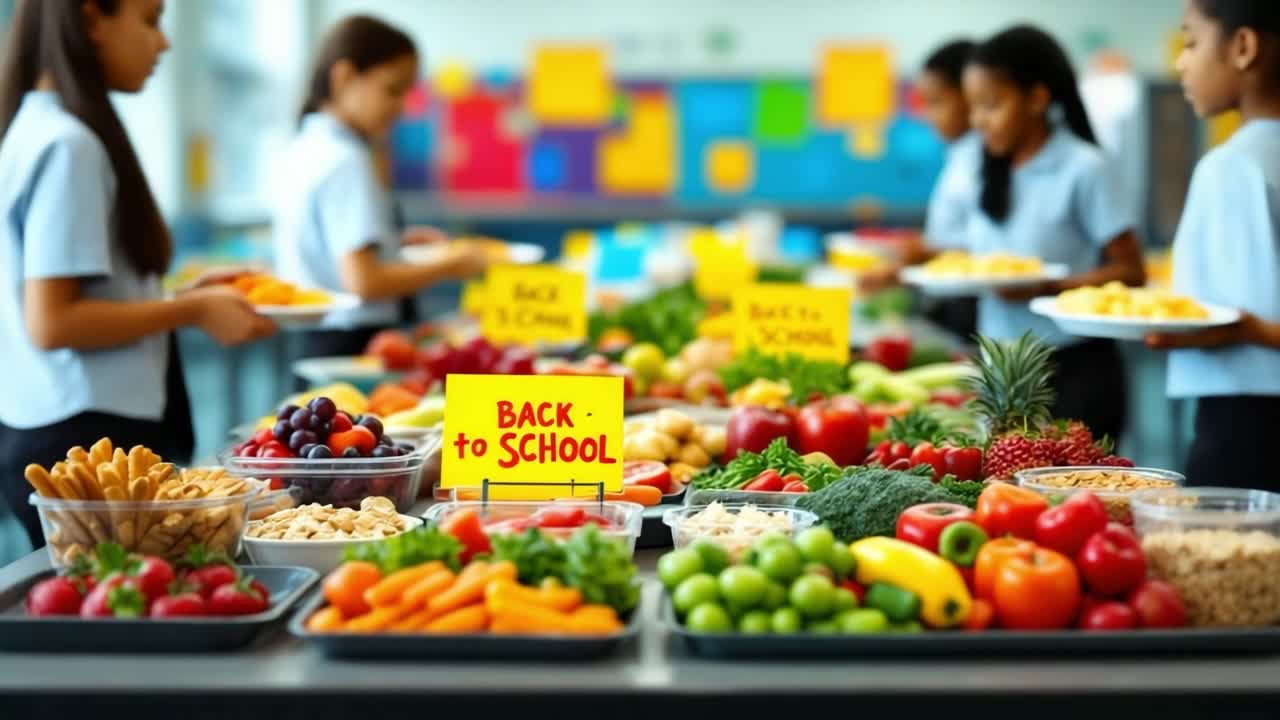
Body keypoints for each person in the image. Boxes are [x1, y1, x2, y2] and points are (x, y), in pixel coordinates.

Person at [0, 0, 275, 548]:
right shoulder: (69, 144)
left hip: (52, 423)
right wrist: (192, 310)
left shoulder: (36, 126)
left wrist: (172, 295)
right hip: (83, 442)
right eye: (149, 21)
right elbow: (54, 321)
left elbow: (78, 293)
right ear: (91, 19)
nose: (164, 43)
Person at [888, 26, 1146, 442]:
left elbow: (1131, 271)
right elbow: (980, 255)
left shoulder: (1085, 167)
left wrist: (1049, 287)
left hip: (1072, 366)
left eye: (991, 106)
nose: (978, 122)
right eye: (973, 108)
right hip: (999, 366)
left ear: (1037, 99)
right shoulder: (987, 170)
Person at [275, 15, 490, 360]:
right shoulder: (347, 159)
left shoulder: (307, 145)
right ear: (345, 76)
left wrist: (391, 243)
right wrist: (450, 265)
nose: (402, 107)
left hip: (319, 338)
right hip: (355, 342)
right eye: (392, 90)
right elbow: (364, 281)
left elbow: (334, 250)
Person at [1146, 0, 1280, 487]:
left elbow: (1229, 317)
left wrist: (1238, 329)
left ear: (1243, 47)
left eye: (1192, 42)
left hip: (1248, 424)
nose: (1181, 62)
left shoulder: (1232, 165)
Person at [914, 39, 980, 339]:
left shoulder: (990, 157)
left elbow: (1000, 249)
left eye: (936, 102)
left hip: (973, 304)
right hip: (949, 300)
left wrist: (926, 252)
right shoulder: (959, 152)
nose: (929, 115)